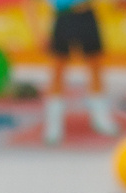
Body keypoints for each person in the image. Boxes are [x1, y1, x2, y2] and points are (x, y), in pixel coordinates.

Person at [43, 1, 115, 146]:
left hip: (86, 13)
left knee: (95, 67)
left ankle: (101, 118)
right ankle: (53, 123)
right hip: (63, 15)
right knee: (58, 69)